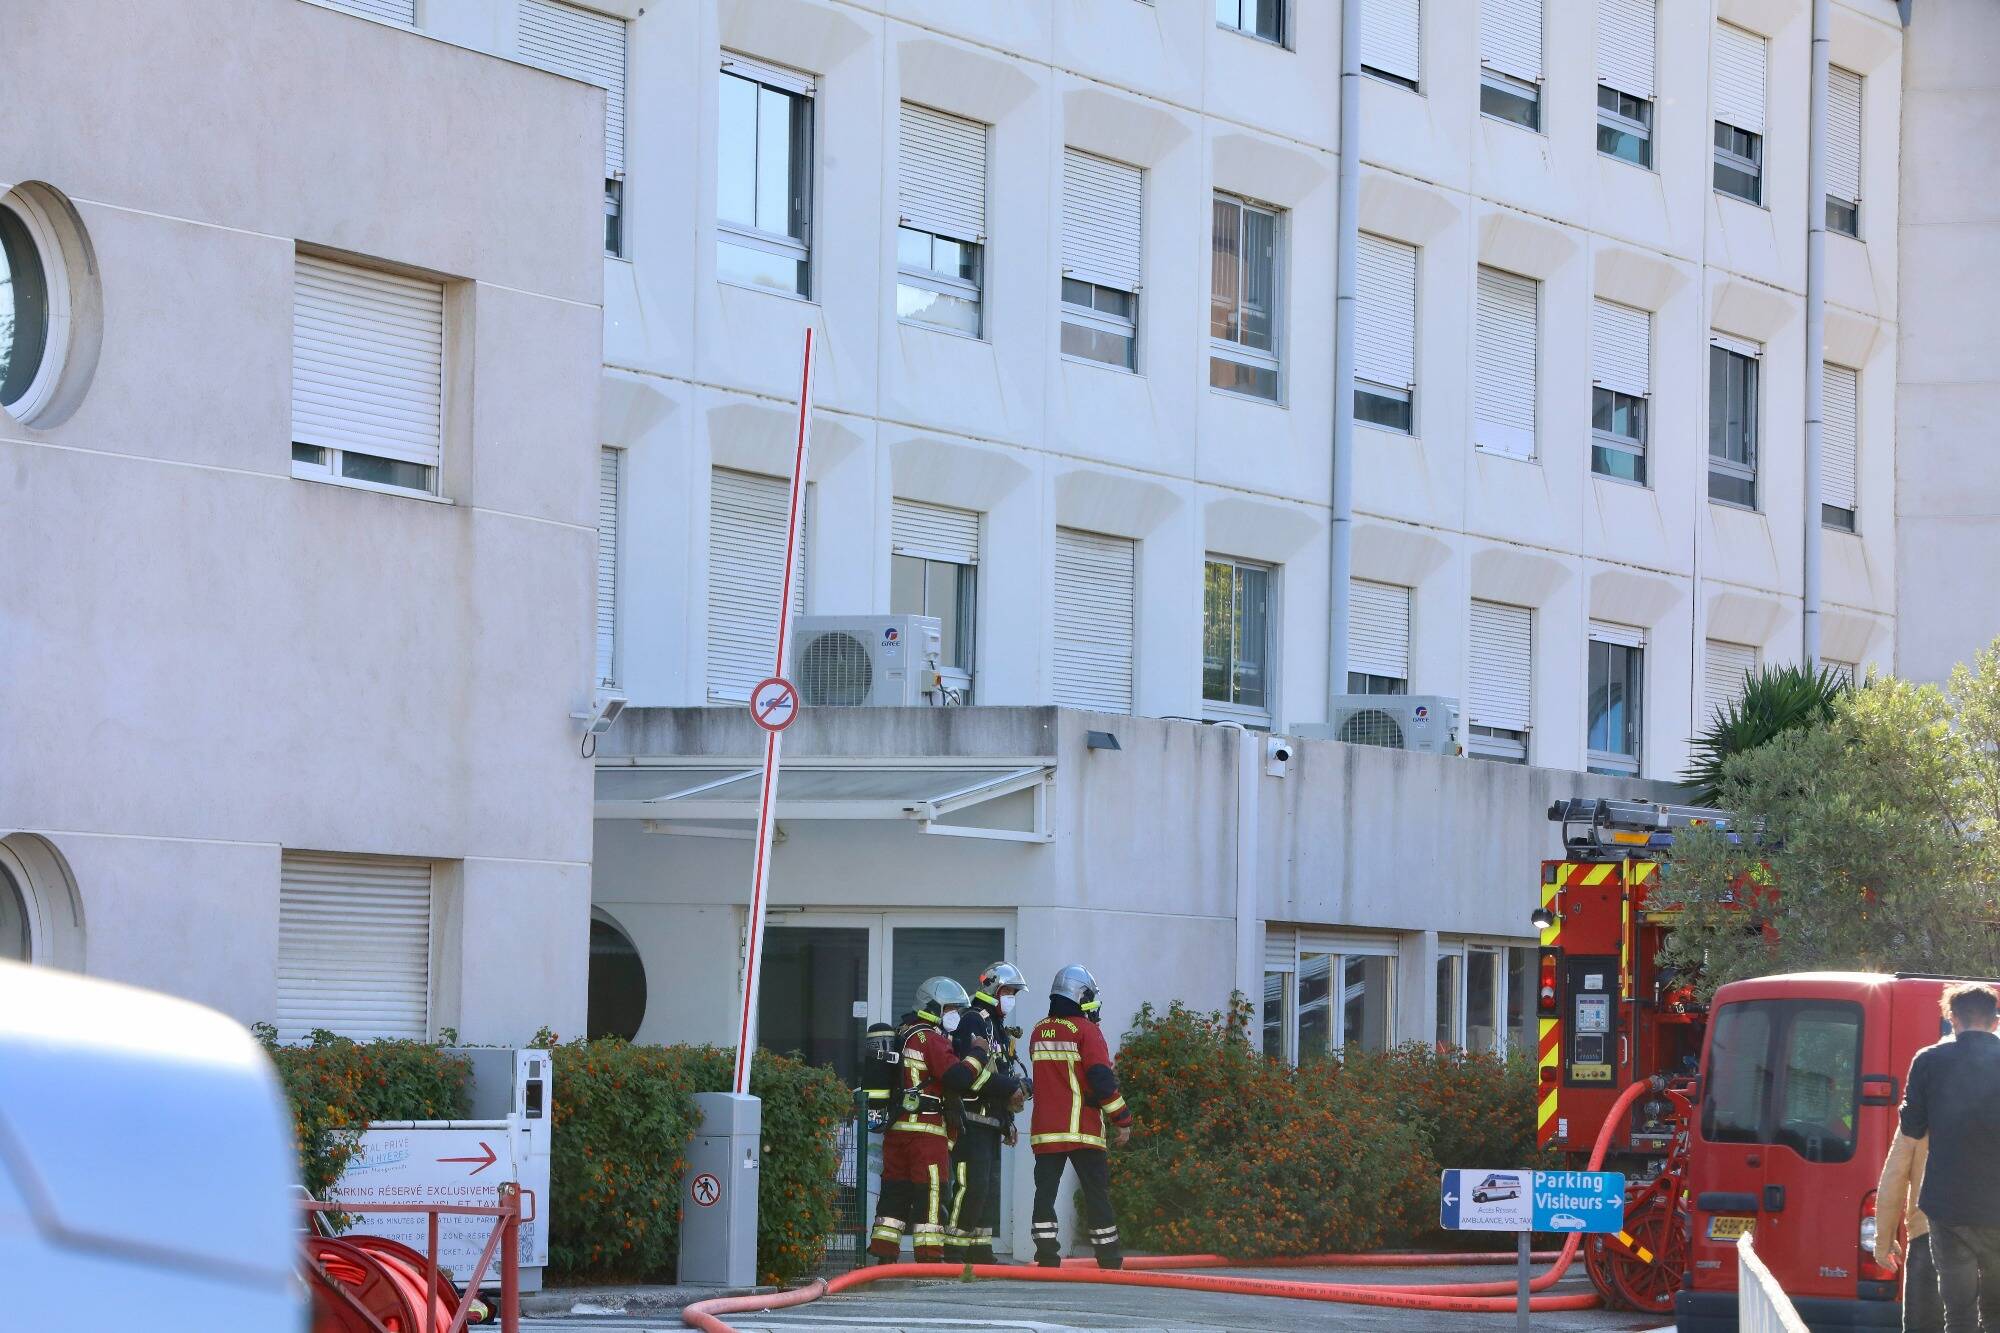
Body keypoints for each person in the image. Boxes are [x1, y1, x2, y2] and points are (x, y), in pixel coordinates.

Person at [867, 977, 999, 1265]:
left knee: (895, 1190)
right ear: (933, 1006)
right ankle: (929, 1255)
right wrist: (978, 1052)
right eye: (951, 1008)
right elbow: (958, 1078)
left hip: (898, 1128)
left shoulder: (904, 1033)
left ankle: (884, 1252)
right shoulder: (929, 1038)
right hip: (926, 1130)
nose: (955, 1015)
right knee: (931, 1190)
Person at [1900, 982, 2000, 1333]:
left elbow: (1912, 1127)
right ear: (1994, 1020)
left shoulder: (1929, 1061)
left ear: (1952, 1019)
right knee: (1998, 1314)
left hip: (1949, 1207)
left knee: (1958, 1315)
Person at [1028, 964, 1132, 1270]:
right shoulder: (1087, 1031)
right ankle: (1109, 1258)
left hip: (1046, 1131)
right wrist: (1122, 1119)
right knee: (1096, 1194)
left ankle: (1046, 1256)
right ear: (1080, 995)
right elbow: (1100, 1079)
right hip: (1083, 1130)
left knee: (1044, 1194)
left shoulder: (1038, 1031)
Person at [946, 962, 1030, 1265]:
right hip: (970, 1120)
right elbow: (972, 1075)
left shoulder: (996, 1027)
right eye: (1008, 991)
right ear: (993, 988)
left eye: (1014, 994)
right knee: (972, 1185)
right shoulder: (973, 1021)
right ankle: (953, 1247)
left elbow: (999, 1070)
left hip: (992, 1121)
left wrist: (1008, 1121)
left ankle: (980, 1248)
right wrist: (1011, 1087)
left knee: (990, 1189)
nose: (1011, 998)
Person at [1876, 1126, 1940, 1333]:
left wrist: (1884, 1241)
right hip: (1987, 1242)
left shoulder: (1918, 1109)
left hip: (1927, 1237)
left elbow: (1894, 1178)